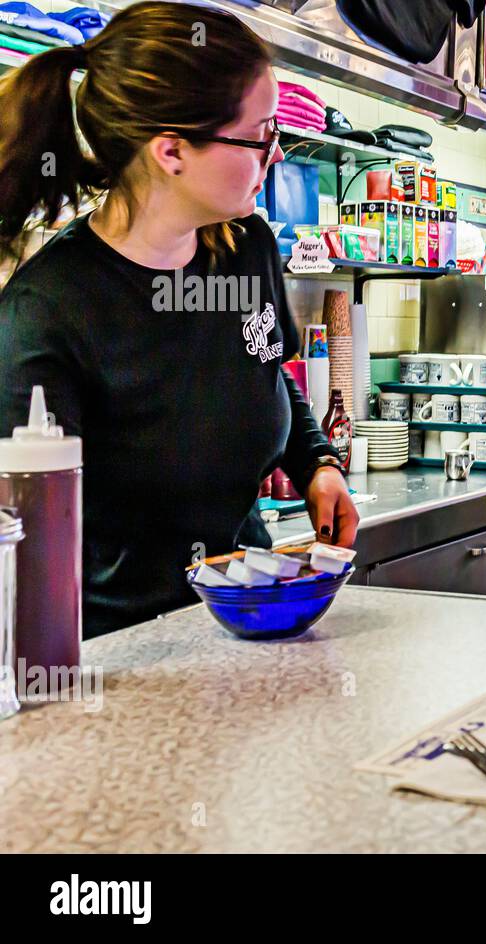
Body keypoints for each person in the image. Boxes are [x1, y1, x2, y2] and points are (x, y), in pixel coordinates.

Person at [0, 2, 357, 637]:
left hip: (246, 618)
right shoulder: (48, 313)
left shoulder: (247, 246)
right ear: (171, 152)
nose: (275, 155)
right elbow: (25, 547)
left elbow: (268, 372)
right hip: (119, 658)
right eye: (260, 135)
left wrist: (317, 464)